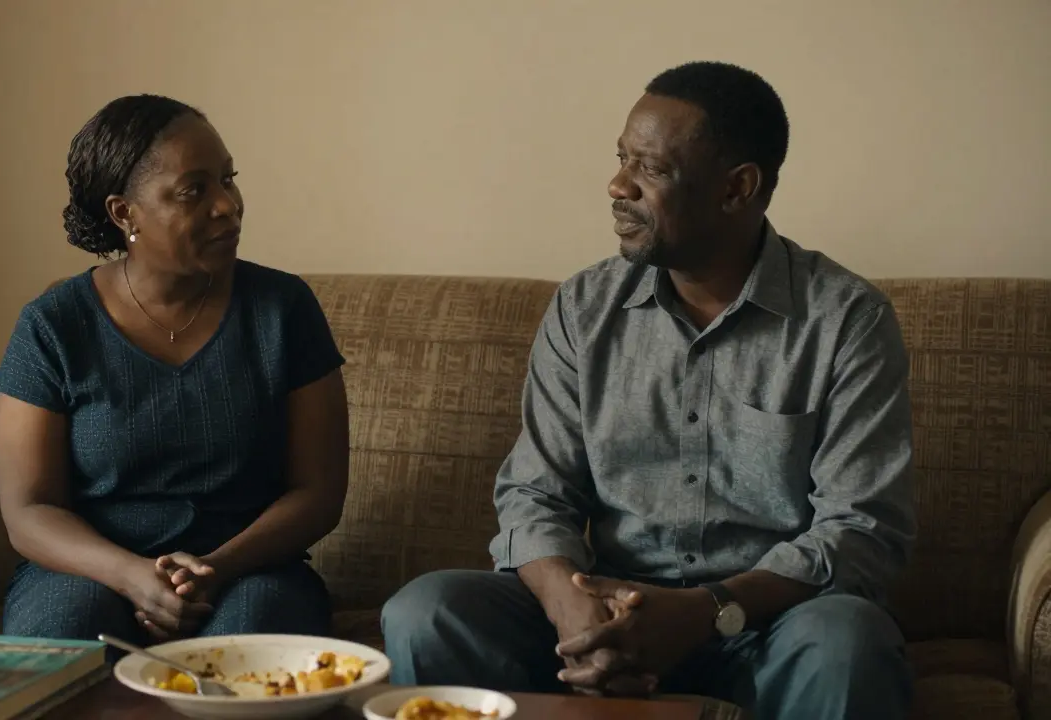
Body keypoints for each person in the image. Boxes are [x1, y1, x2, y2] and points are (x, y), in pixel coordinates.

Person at [381, 61, 916, 719]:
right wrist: (573, 610)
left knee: (847, 641)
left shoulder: (845, 320)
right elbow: (535, 491)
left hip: (765, 626)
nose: (617, 185)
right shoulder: (584, 308)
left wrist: (705, 611)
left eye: (652, 170)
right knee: (427, 612)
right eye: (620, 160)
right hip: (604, 608)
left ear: (736, 189)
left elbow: (861, 530)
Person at [0, 94, 350, 648]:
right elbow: (29, 509)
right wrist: (132, 576)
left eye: (228, 180)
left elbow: (319, 490)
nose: (228, 205)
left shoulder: (283, 309)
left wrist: (214, 568)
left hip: (250, 569)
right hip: (89, 571)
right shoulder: (54, 325)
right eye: (194, 190)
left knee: (247, 648)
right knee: (60, 635)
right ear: (123, 213)